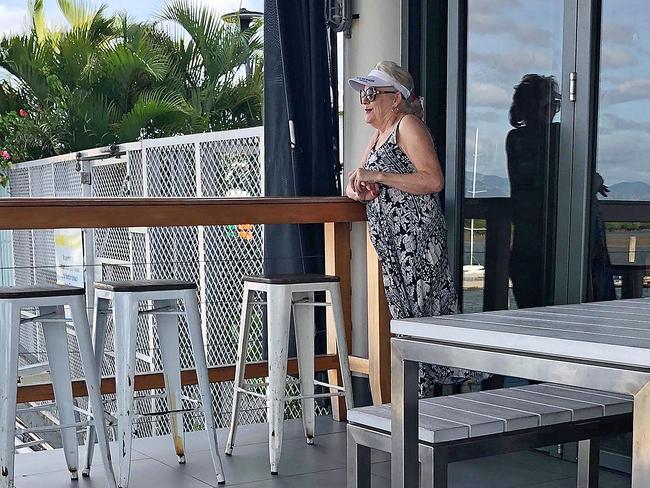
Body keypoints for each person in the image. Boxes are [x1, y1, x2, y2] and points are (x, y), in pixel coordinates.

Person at [346, 61, 483, 397]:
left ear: (396, 98)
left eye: (373, 92)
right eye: (364, 92)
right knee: (406, 313)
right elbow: (354, 181)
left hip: (417, 236)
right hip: (392, 238)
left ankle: (439, 392)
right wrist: (359, 190)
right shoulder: (378, 135)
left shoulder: (408, 125)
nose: (365, 98)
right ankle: (419, 395)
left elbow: (433, 180)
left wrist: (379, 177)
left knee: (426, 312)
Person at [506, 74, 561, 308]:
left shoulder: (516, 139)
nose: (556, 109)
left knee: (530, 313)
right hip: (552, 239)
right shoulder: (557, 137)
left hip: (525, 240)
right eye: (554, 103)